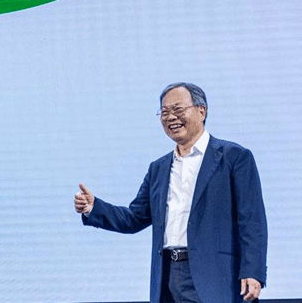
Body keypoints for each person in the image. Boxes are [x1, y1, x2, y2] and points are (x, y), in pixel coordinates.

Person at [74, 82, 267, 303]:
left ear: (202, 111)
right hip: (167, 277)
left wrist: (253, 271)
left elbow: (251, 220)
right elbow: (135, 217)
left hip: (216, 275)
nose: (171, 117)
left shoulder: (234, 157)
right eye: (164, 112)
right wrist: (94, 208)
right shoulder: (158, 168)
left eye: (178, 109)